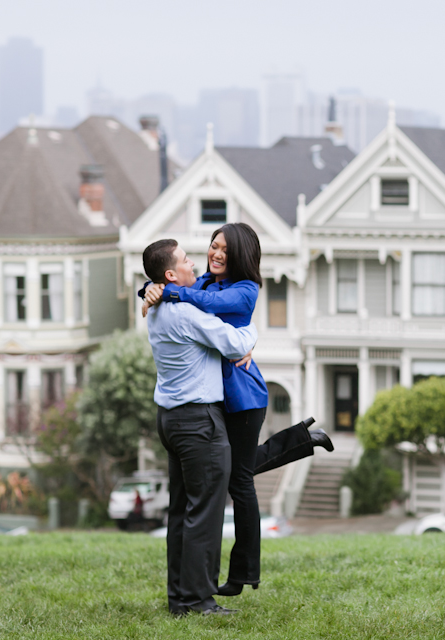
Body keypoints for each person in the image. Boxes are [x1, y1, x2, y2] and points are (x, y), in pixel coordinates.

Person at [141, 222, 333, 597]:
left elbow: (210, 306)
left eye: (225, 250)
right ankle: (300, 439)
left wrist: (175, 294)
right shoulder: (203, 284)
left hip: (242, 394)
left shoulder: (245, 290)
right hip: (211, 399)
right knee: (229, 470)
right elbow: (172, 286)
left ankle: (243, 574)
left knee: (239, 481)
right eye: (213, 246)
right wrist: (150, 289)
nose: (215, 254)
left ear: (240, 256)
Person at [143, 238, 258, 616]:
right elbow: (237, 342)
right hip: (198, 424)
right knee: (204, 514)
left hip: (171, 421)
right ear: (172, 274)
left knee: (181, 512)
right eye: (187, 260)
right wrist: (252, 337)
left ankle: (180, 598)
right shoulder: (187, 315)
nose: (197, 264)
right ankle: (197, 601)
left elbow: (148, 292)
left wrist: (148, 289)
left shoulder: (157, 309)